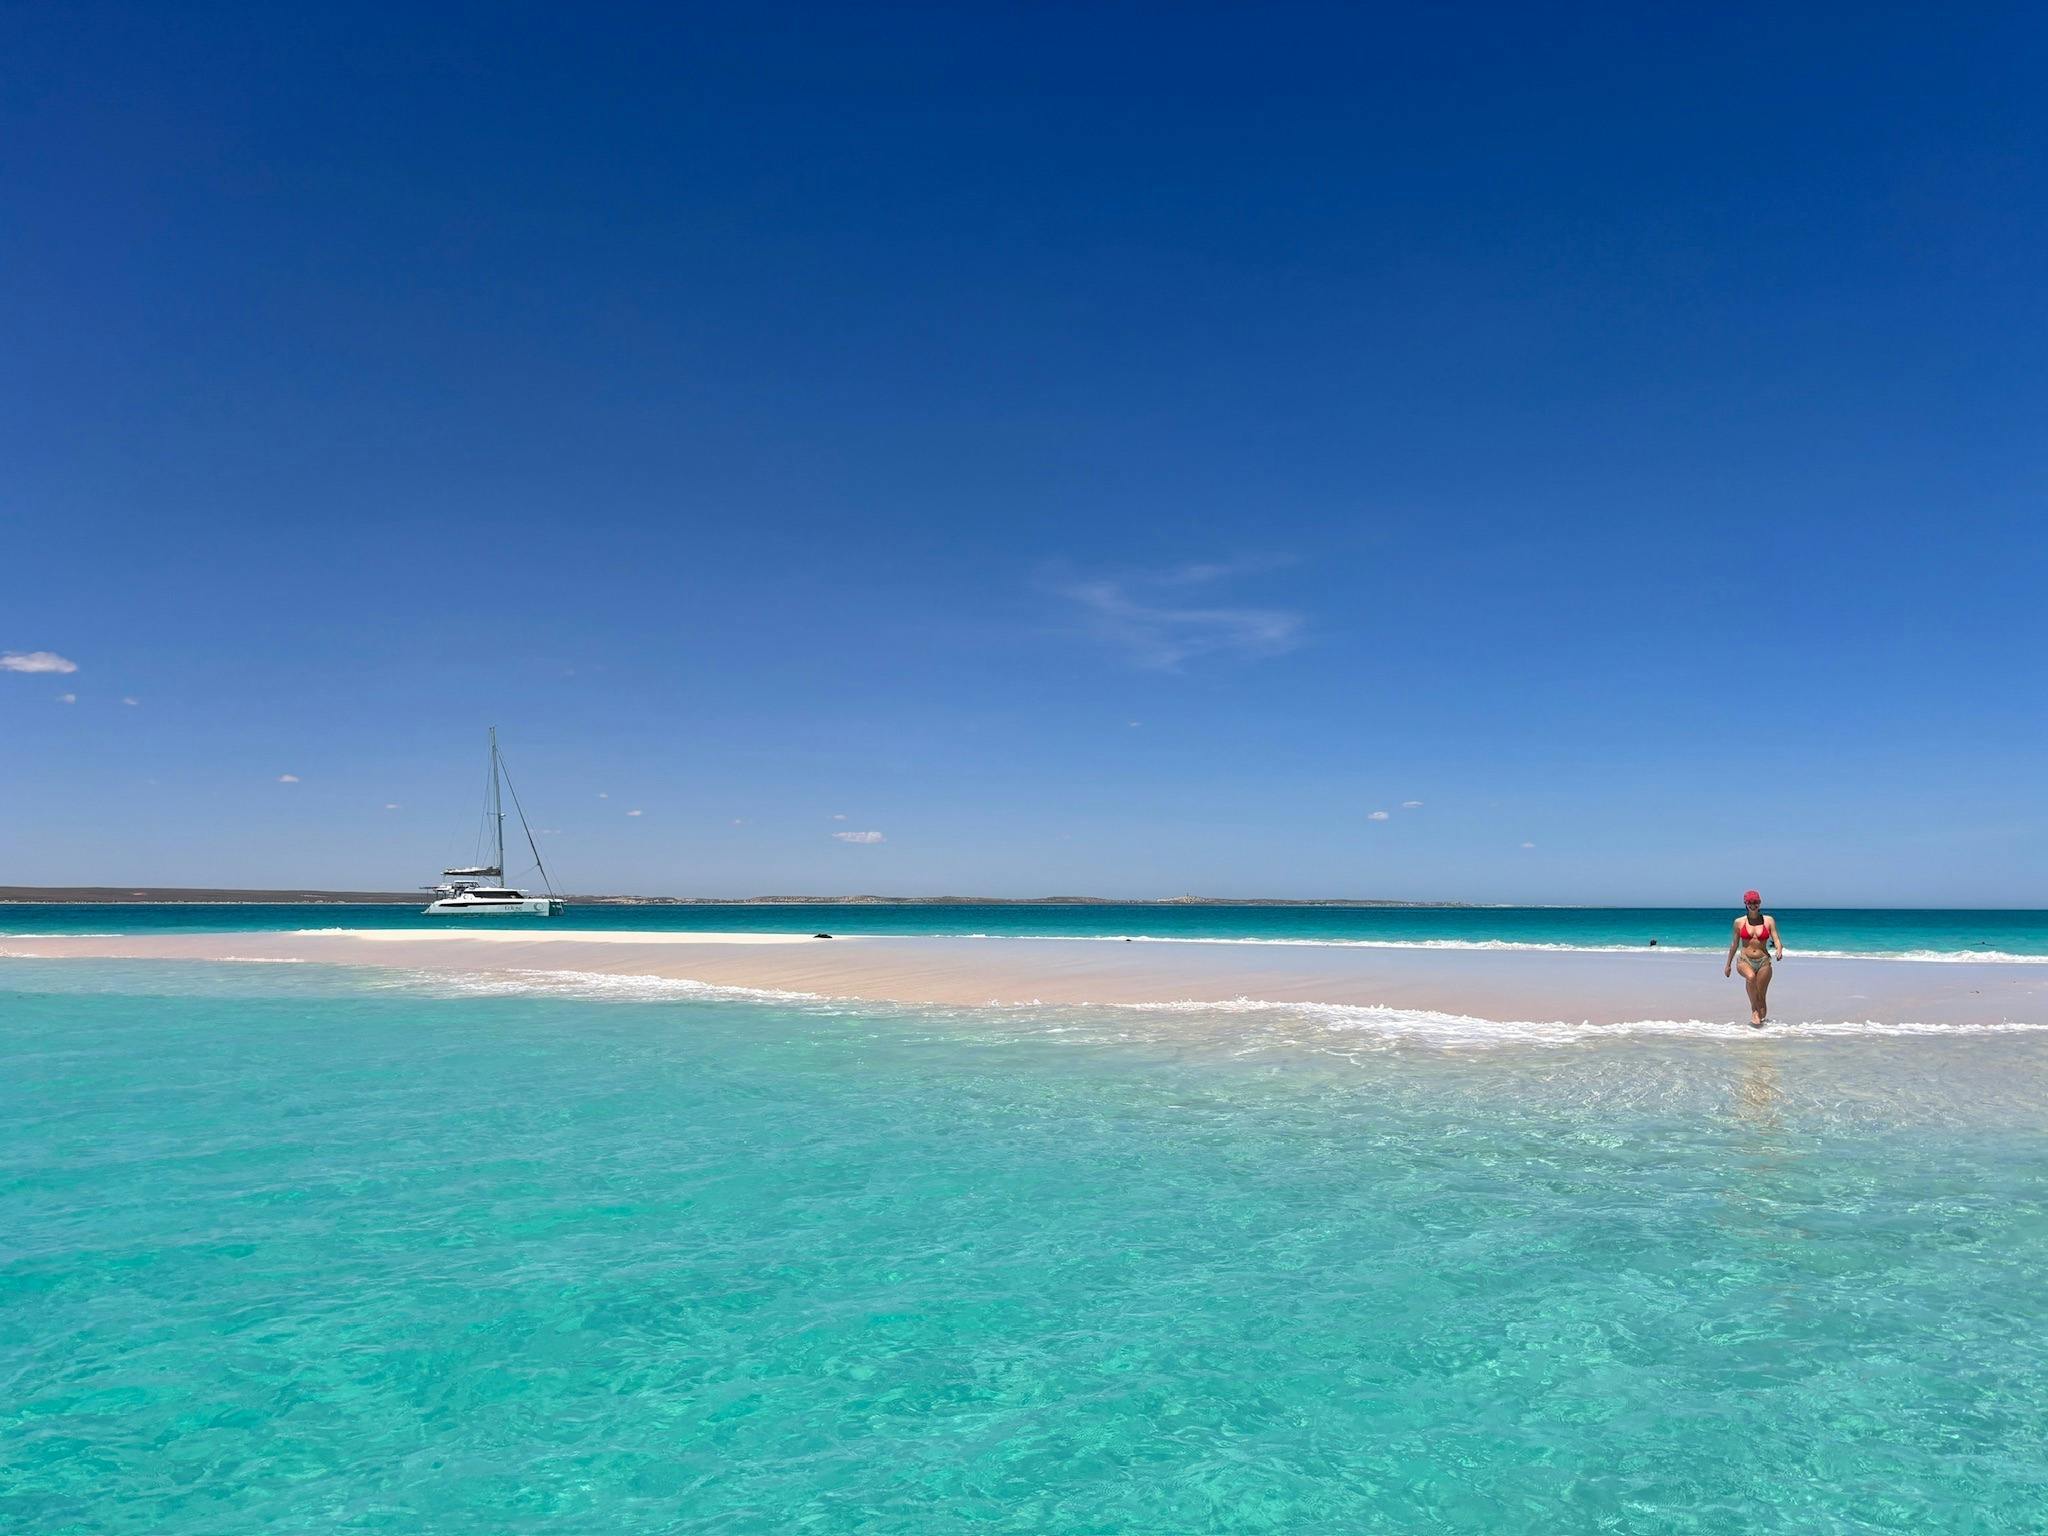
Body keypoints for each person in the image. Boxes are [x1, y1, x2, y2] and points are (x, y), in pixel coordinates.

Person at [1724, 890, 1782, 1026]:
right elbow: (1734, 944)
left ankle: (1760, 1024)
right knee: (1750, 977)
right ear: (1745, 903)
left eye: (1755, 902)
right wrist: (1728, 964)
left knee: (1761, 999)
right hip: (1745, 960)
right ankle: (1753, 1011)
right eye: (1750, 902)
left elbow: (1776, 939)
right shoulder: (1739, 922)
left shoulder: (1768, 920)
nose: (1753, 905)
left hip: (1763, 962)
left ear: (1760, 903)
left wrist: (1779, 949)